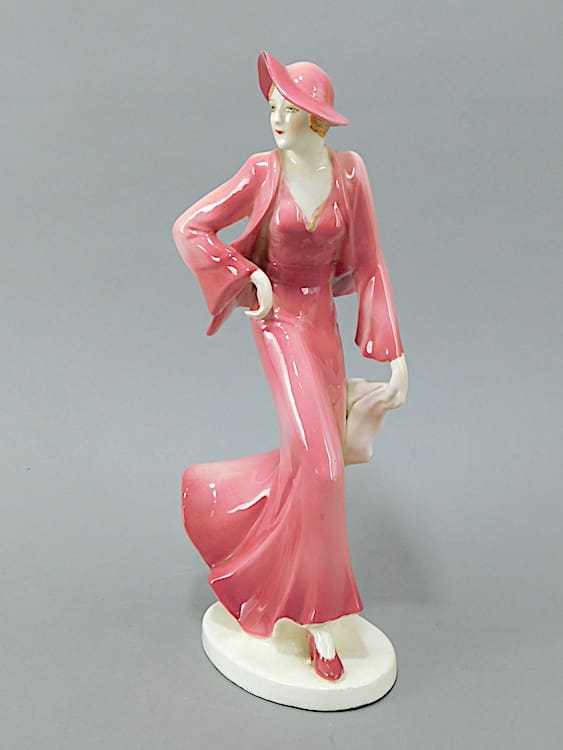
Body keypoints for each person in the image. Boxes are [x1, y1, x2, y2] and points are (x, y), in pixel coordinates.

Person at [172, 51, 408, 682]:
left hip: (322, 323)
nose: (276, 118)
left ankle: (220, 503)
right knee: (324, 465)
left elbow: (371, 261)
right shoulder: (261, 171)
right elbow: (190, 228)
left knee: (314, 461)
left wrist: (394, 354)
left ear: (317, 118)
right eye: (272, 107)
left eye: (290, 108)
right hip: (279, 323)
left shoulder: (350, 173)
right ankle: (321, 619)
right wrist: (247, 275)